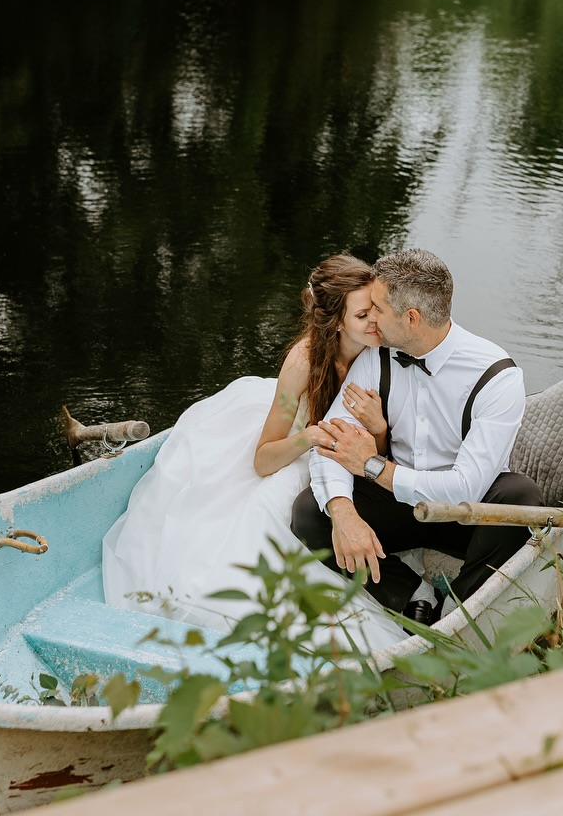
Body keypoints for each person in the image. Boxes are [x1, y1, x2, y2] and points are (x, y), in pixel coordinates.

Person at [101, 254, 409, 652]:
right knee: (268, 507)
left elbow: (385, 452)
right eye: (364, 314)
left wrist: (379, 429)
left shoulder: (384, 354)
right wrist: (309, 437)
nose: (376, 323)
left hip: (351, 458)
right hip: (298, 448)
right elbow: (262, 459)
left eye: (377, 310)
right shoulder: (304, 362)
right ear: (335, 321)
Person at [290, 248, 546, 621]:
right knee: (311, 513)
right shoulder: (375, 358)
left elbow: (467, 489)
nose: (370, 319)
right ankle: (410, 595)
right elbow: (331, 441)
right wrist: (344, 513)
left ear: (411, 318)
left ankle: (457, 613)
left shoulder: (497, 376)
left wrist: (373, 466)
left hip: (462, 515)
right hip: (397, 505)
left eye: (377, 308)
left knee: (520, 498)